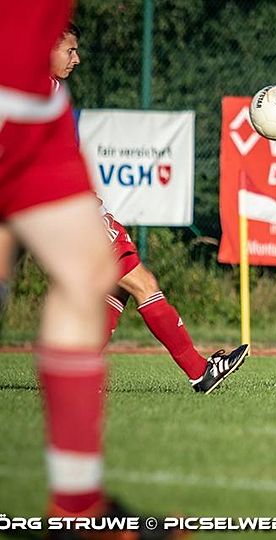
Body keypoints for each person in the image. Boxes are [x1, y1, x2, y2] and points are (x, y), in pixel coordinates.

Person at [1, 3, 183, 538]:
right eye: (72, 48)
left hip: (32, 102)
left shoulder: (51, 82)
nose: (77, 56)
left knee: (87, 271)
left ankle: (79, 513)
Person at [58, 22, 249, 394]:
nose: (77, 59)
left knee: (120, 288)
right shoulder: (35, 95)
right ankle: (201, 372)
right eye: (70, 50)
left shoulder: (44, 93)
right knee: (143, 284)